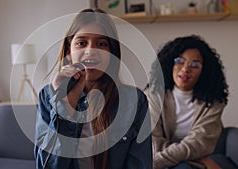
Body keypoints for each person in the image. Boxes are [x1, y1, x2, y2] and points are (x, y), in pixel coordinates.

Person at [34, 8, 152, 169]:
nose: (91, 51)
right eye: (81, 43)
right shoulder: (48, 96)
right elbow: (46, 166)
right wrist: (64, 107)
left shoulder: (135, 100)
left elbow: (140, 165)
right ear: (69, 51)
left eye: (102, 44)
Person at [145, 35, 229, 169]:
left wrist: (156, 163)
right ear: (170, 64)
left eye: (194, 65)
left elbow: (199, 143)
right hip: (189, 158)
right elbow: (152, 141)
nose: (185, 69)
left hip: (161, 160)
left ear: (204, 71)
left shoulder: (213, 102)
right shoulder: (153, 95)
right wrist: (197, 157)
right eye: (180, 61)